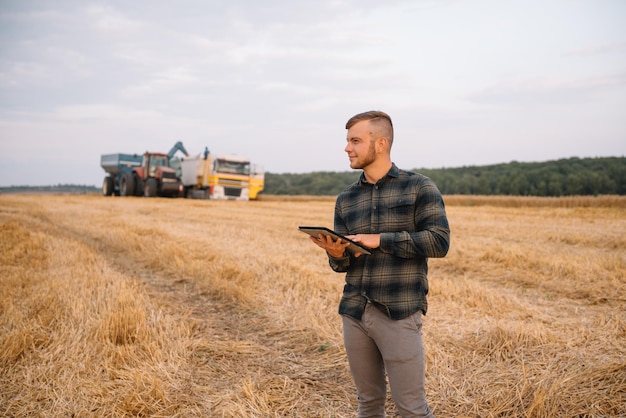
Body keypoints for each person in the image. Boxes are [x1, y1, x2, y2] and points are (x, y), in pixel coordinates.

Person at [308, 110, 450, 417]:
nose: (347, 148)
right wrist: (336, 253)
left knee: (411, 408)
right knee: (368, 405)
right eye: (347, 141)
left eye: (355, 140)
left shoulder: (419, 187)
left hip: (398, 312)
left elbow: (439, 242)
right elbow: (342, 266)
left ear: (381, 144)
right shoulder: (346, 198)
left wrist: (381, 239)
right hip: (354, 311)